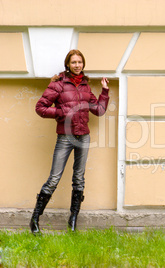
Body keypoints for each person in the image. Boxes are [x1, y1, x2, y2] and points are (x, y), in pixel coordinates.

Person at [30, 49, 110, 235]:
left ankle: (72, 222)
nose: (77, 65)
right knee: (54, 179)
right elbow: (40, 108)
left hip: (83, 137)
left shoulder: (85, 86)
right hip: (65, 137)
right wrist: (61, 113)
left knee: (79, 180)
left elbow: (98, 110)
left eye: (80, 62)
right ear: (68, 64)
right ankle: (34, 220)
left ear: (83, 64)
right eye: (73, 62)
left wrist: (105, 91)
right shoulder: (58, 84)